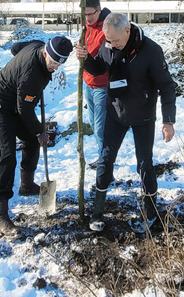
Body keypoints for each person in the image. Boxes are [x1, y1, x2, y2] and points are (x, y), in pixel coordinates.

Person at [75, 12, 176, 232]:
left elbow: (167, 86)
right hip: (116, 111)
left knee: (144, 164)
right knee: (105, 158)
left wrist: (168, 120)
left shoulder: (151, 51)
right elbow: (99, 67)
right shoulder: (110, 43)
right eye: (108, 41)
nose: (112, 45)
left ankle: (151, 213)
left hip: (143, 115)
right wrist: (86, 59)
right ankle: (97, 212)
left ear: (128, 31)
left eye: (116, 41)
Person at [0, 35, 74, 235]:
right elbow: (24, 110)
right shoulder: (32, 75)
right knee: (8, 154)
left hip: (15, 104)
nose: (56, 67)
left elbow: (16, 47)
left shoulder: (35, 46)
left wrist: (36, 134)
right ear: (45, 53)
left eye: (60, 64)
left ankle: (26, 184)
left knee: (32, 140)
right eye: (53, 63)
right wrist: (40, 131)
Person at [81, 0, 111, 166]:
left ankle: (106, 163)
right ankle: (103, 156)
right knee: (93, 124)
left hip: (102, 86)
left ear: (99, 11)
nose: (88, 18)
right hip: (88, 84)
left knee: (101, 128)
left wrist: (85, 58)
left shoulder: (107, 30)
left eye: (91, 14)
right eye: (84, 15)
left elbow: (100, 67)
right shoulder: (86, 27)